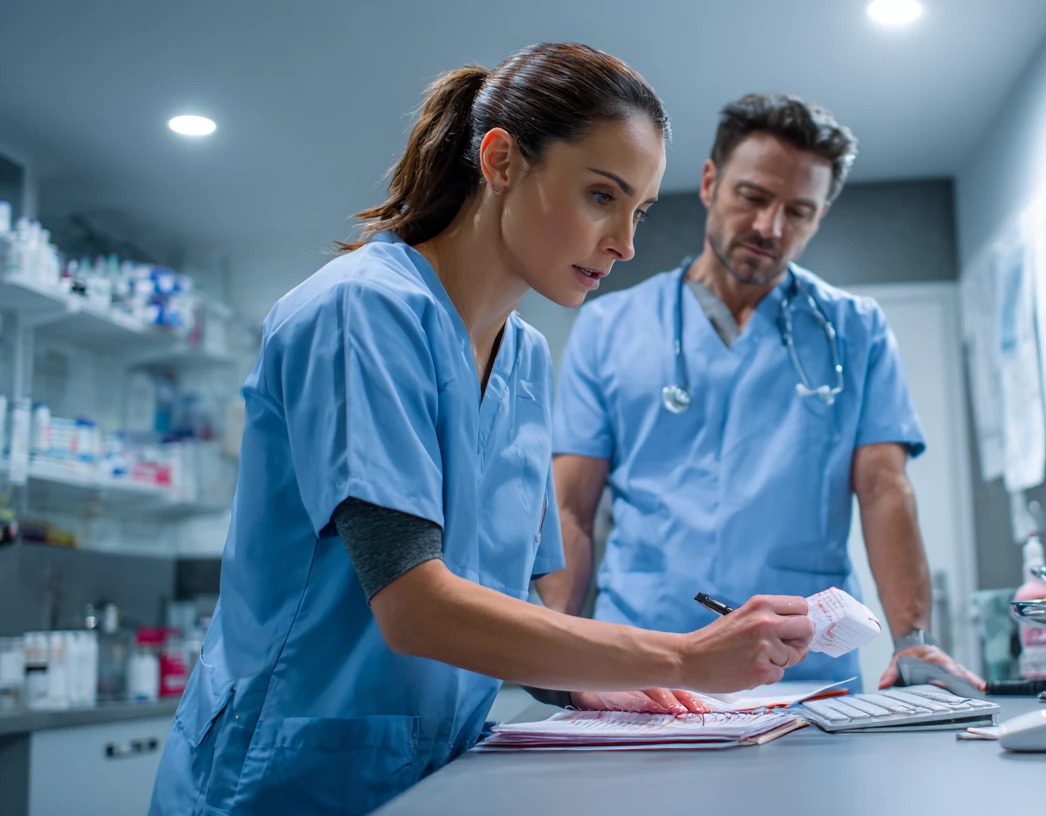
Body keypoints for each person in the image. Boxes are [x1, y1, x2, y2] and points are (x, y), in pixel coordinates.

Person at [149, 46, 814, 816]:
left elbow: (504, 598)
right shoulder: (359, 312)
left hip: (436, 775)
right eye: (601, 196)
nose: (625, 244)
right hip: (284, 779)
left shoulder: (526, 358)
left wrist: (580, 678)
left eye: (638, 212)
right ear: (500, 160)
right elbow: (415, 605)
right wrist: (690, 657)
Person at [540, 93, 984, 693]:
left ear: (819, 216)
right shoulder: (608, 326)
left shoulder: (856, 329)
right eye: (753, 197)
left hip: (804, 669)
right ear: (709, 183)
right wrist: (558, 659)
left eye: (799, 211)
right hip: (640, 662)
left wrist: (911, 642)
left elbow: (884, 489)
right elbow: (570, 508)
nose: (770, 227)